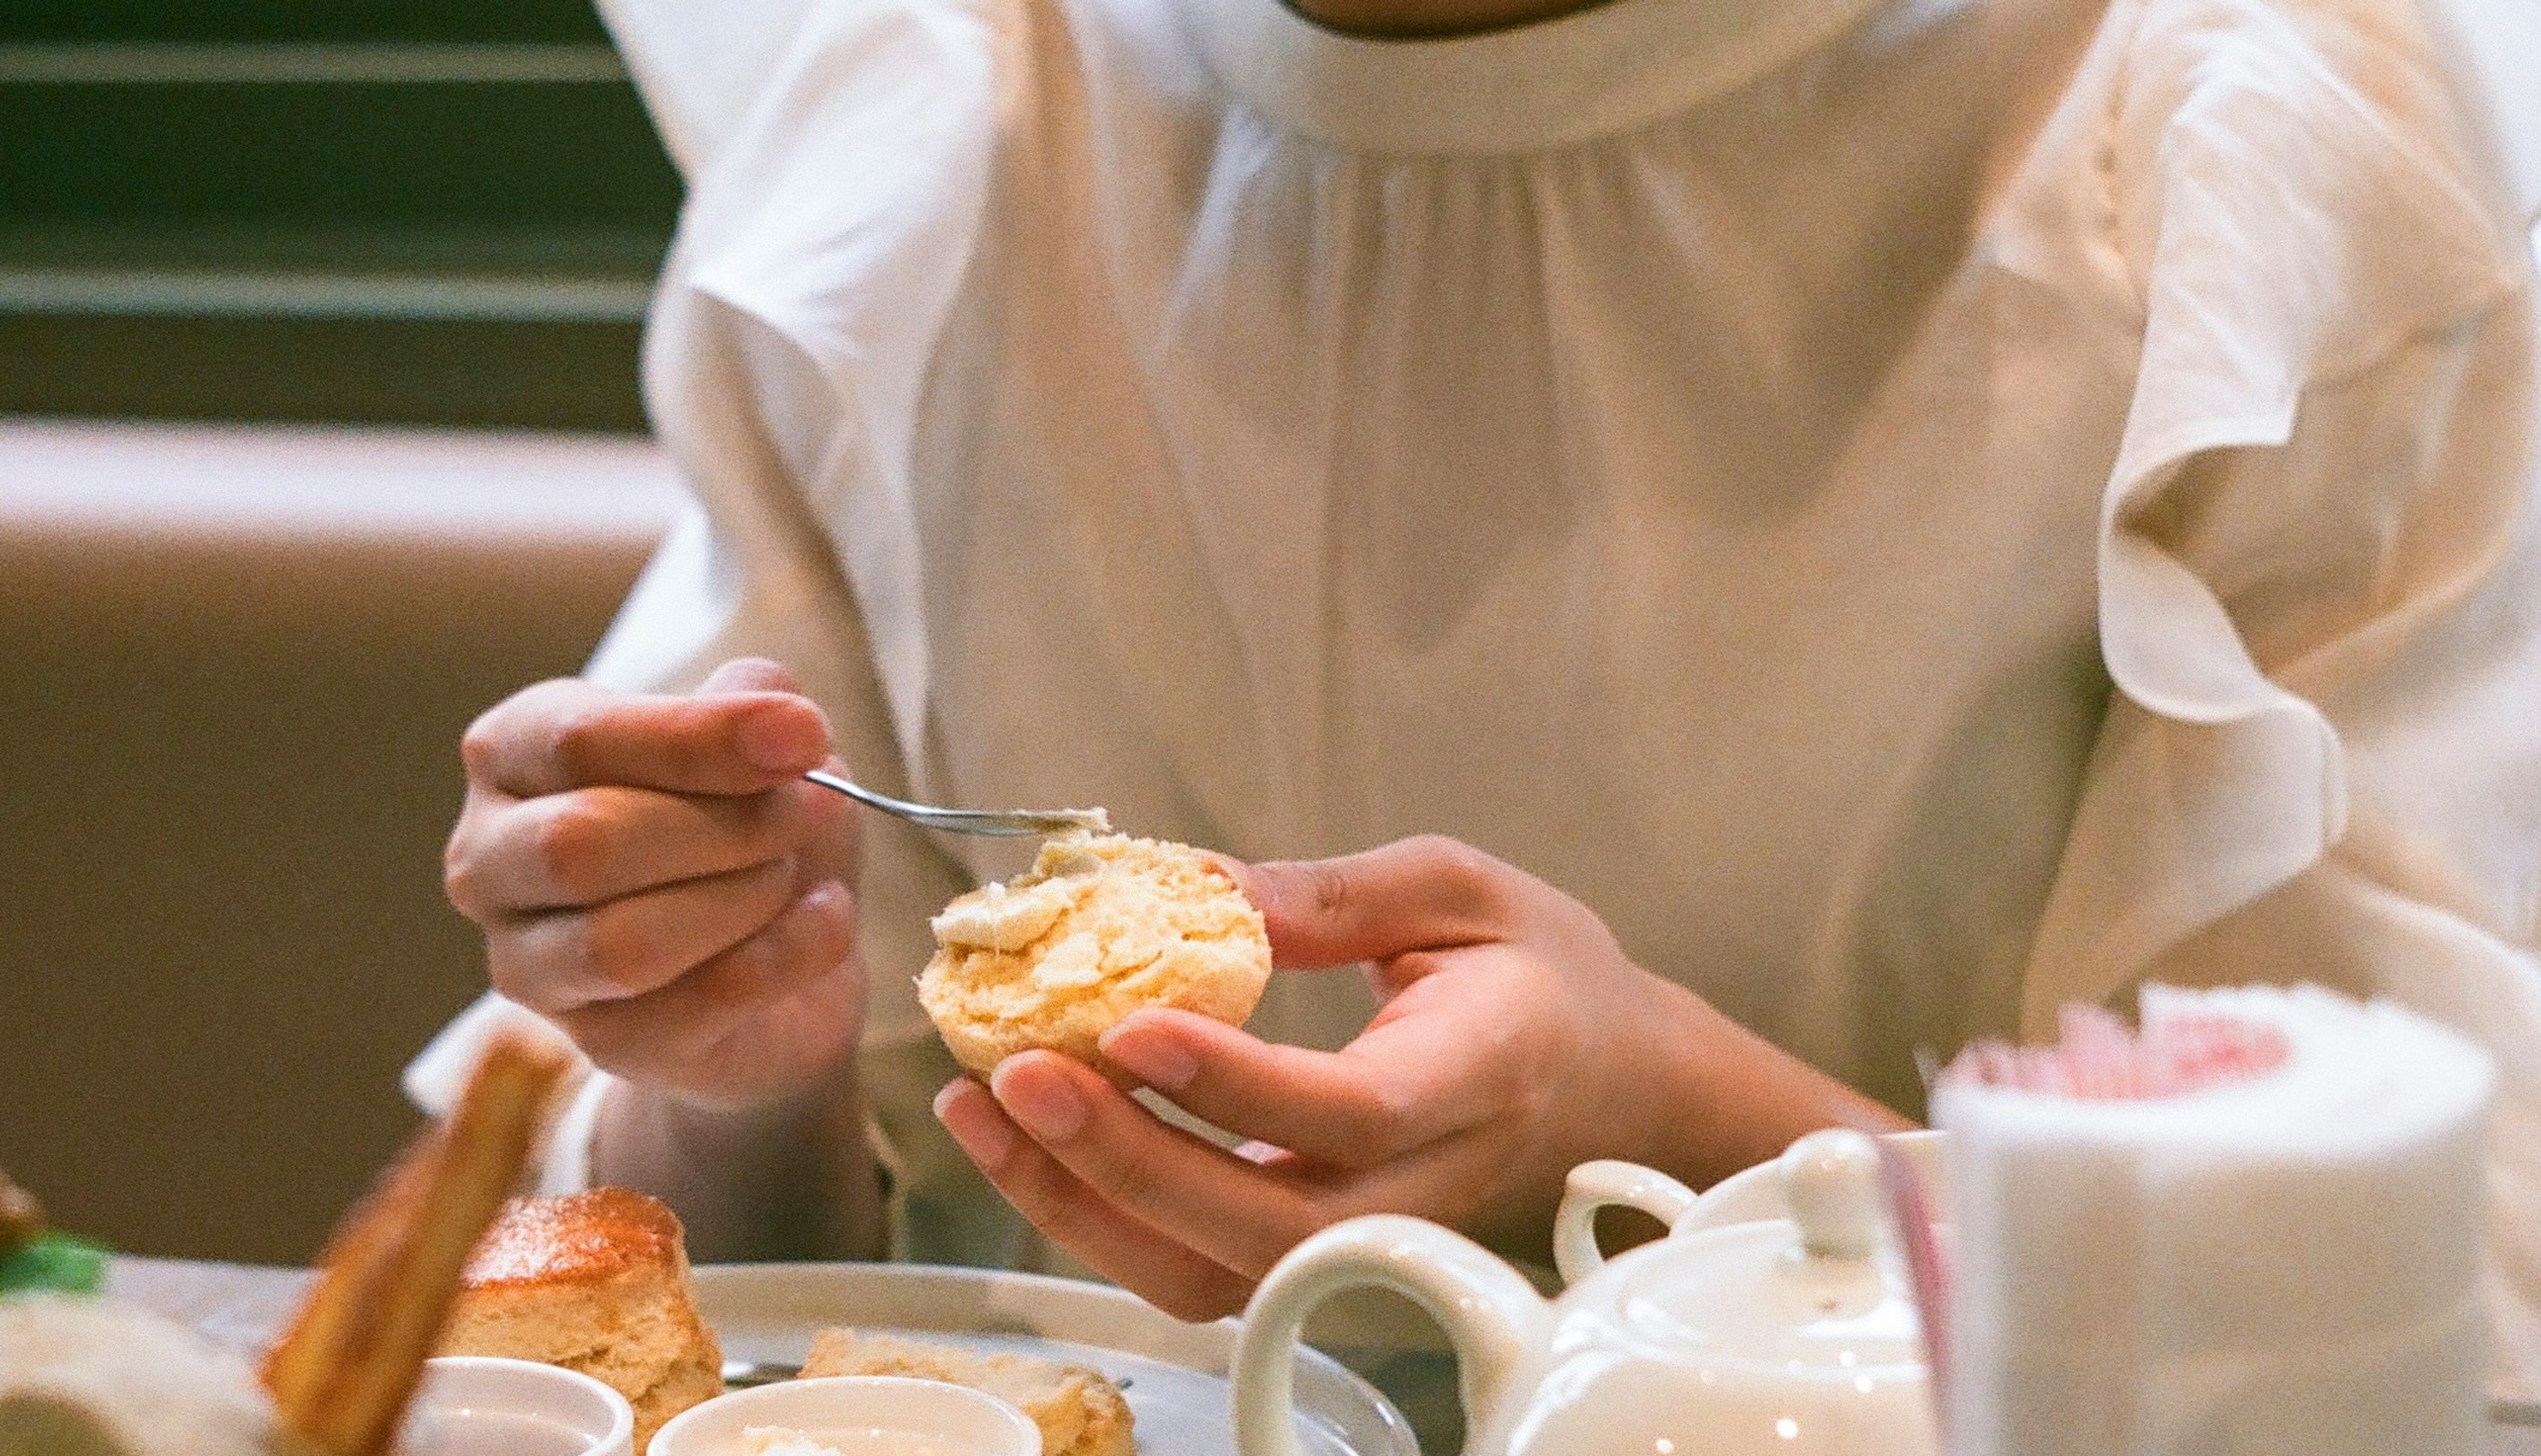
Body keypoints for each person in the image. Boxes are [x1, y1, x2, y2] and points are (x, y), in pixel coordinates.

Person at [419, 0, 2541, 1377]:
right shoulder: (943, 94)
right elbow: (747, 1288)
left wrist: (1673, 1119)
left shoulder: (2254, 147)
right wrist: (723, 1041)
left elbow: (2385, 1377)